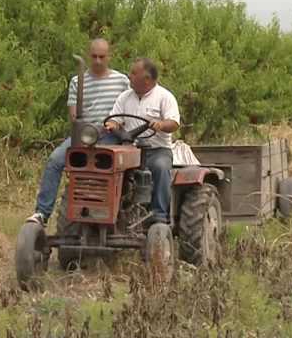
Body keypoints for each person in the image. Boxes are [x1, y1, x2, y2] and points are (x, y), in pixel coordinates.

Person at [27, 39, 129, 226]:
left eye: (102, 57)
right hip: (84, 134)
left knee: (100, 166)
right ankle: (42, 213)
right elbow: (74, 115)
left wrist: (115, 124)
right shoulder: (77, 81)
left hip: (110, 135)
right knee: (55, 160)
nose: (98, 61)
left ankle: (105, 212)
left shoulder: (122, 81)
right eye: (94, 56)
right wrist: (84, 128)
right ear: (88, 56)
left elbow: (129, 110)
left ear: (109, 57)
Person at [105, 58, 180, 223]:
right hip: (131, 150)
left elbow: (174, 123)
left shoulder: (164, 97)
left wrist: (160, 124)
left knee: (160, 167)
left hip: (157, 150)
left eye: (133, 73)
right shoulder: (125, 97)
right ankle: (114, 212)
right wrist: (112, 125)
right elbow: (114, 119)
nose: (129, 76)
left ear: (146, 79)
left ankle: (159, 215)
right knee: (111, 169)